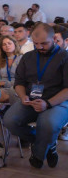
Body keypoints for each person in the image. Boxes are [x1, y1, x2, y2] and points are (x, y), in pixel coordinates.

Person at [4, 23, 68, 168]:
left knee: (48, 123)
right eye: (36, 43)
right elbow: (19, 82)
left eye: (44, 44)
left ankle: (39, 155)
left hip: (58, 102)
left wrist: (48, 103)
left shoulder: (65, 57)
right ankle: (47, 143)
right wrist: (22, 97)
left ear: (54, 39)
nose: (39, 47)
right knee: (9, 120)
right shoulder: (28, 57)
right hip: (31, 100)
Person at [0, 35, 22, 105]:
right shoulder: (0, 61)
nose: (7, 46)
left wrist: (5, 83)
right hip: (1, 88)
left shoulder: (22, 58)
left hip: (17, 87)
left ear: (15, 44)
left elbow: (23, 79)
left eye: (9, 43)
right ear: (1, 47)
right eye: (4, 44)